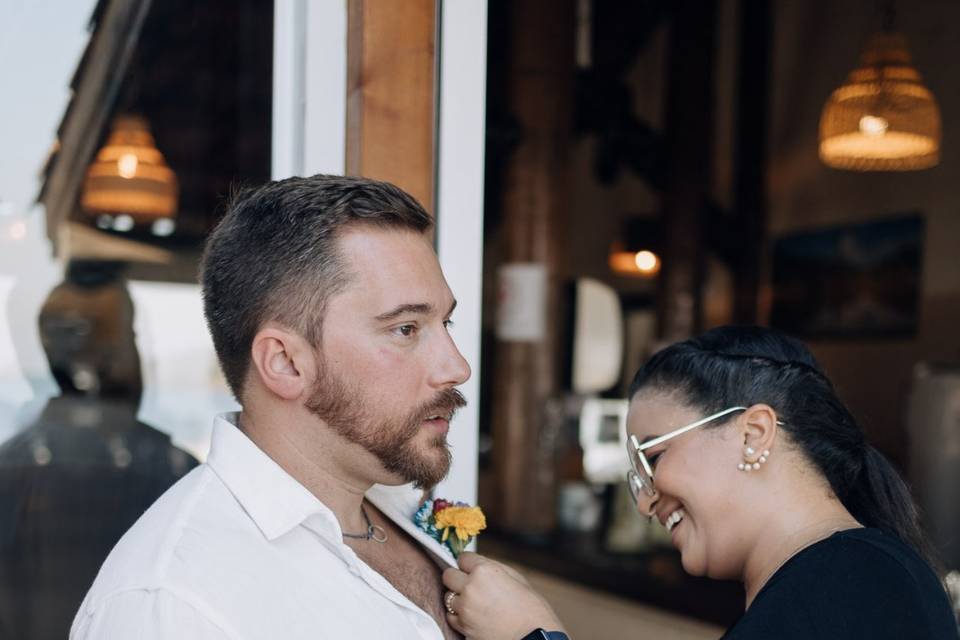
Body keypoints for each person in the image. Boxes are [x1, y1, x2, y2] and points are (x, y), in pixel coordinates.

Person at [71, 175, 472, 639]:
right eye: (406, 329)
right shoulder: (173, 606)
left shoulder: (390, 503)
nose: (457, 366)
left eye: (446, 322)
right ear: (284, 362)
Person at [442, 326, 960, 640]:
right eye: (636, 472)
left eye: (655, 455)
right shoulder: (836, 577)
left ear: (754, 433)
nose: (645, 500)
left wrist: (533, 634)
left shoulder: (852, 584)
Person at [0, 260, 197, 640]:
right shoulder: (173, 475)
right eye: (132, 336)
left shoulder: (10, 470)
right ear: (100, 359)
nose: (140, 353)